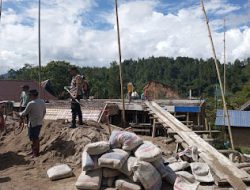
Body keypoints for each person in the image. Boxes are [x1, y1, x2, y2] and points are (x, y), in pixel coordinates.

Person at [19, 89, 46, 157]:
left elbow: (25, 113)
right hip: (39, 122)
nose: (29, 96)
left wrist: (20, 114)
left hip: (33, 123)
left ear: (32, 95)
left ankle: (35, 153)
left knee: (33, 138)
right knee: (35, 137)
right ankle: (34, 151)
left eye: (29, 95)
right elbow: (44, 111)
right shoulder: (42, 101)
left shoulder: (31, 103)